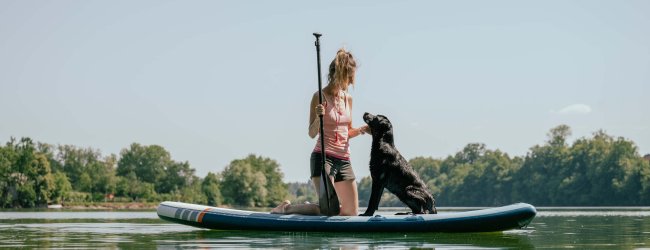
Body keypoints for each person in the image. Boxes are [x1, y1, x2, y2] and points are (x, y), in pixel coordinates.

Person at [272, 48, 370, 216]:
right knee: (328, 210)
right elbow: (311, 133)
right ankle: (286, 208)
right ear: (340, 74)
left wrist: (362, 130)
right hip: (324, 159)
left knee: (350, 213)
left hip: (344, 160)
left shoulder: (348, 99)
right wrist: (319, 118)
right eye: (350, 75)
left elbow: (347, 131)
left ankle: (316, 214)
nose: (352, 80)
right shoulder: (319, 96)